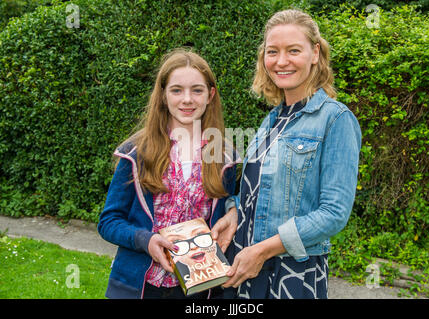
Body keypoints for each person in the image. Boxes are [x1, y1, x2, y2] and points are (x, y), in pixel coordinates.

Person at [211, 9, 361, 299]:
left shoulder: (335, 119)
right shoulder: (272, 119)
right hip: (245, 268)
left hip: (291, 275)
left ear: (315, 53)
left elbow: (333, 214)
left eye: (294, 50)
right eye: (272, 52)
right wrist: (234, 213)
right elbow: (256, 192)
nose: (281, 61)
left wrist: (263, 250)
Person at [98, 48, 238, 299]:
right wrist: (145, 240)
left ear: (210, 95)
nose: (187, 99)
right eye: (176, 90)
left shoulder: (225, 157)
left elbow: (235, 208)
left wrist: (235, 210)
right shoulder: (136, 152)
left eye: (197, 90)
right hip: (140, 286)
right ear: (163, 95)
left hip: (200, 288)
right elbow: (109, 222)